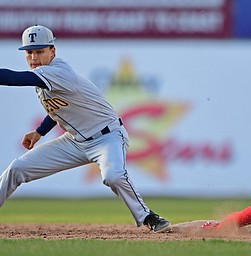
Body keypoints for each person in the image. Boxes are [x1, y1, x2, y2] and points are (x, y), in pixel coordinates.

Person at [0, 25, 171, 233]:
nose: (34, 57)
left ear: (52, 51)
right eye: (30, 52)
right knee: (16, 169)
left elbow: (13, 78)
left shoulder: (57, 72)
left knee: (113, 176)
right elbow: (62, 109)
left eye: (40, 51)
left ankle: (149, 217)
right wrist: (39, 132)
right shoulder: (44, 75)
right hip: (74, 142)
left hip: (107, 137)